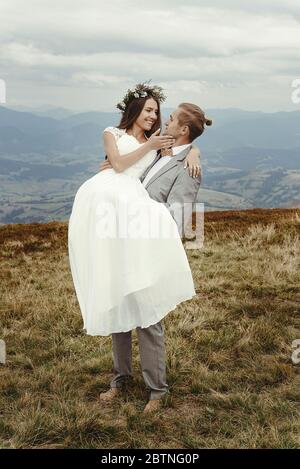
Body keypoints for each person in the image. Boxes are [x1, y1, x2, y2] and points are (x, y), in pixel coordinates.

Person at [98, 99, 212, 413]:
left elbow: (176, 220)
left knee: (148, 320)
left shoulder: (189, 168)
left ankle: (157, 392)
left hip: (150, 249)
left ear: (184, 129)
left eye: (172, 118)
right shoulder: (160, 152)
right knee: (120, 310)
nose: (165, 119)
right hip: (125, 243)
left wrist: (193, 152)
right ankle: (120, 379)